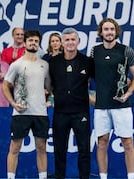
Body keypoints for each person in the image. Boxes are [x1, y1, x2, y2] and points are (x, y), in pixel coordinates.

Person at [90, 18, 134, 179]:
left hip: (122, 106)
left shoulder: (126, 51)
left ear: (116, 31)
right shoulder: (94, 51)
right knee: (102, 143)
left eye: (112, 29)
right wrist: (91, 99)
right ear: (101, 32)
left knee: (128, 142)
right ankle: (103, 177)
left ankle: (130, 177)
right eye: (106, 29)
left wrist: (128, 93)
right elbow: (88, 77)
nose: (109, 32)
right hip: (101, 107)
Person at [2, 30, 51, 179]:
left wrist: (51, 100)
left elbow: (50, 88)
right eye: (30, 41)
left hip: (40, 113)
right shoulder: (16, 65)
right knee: (15, 147)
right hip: (20, 113)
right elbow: (5, 85)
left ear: (39, 44)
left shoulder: (45, 65)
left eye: (36, 41)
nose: (33, 43)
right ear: (25, 43)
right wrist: (13, 103)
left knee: (41, 148)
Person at [49, 28, 94, 179]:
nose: (70, 42)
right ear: (62, 42)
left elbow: (103, 80)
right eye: (67, 40)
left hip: (81, 112)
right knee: (59, 150)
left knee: (84, 150)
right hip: (60, 113)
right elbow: (47, 85)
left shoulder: (87, 62)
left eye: (73, 39)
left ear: (78, 42)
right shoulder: (53, 62)